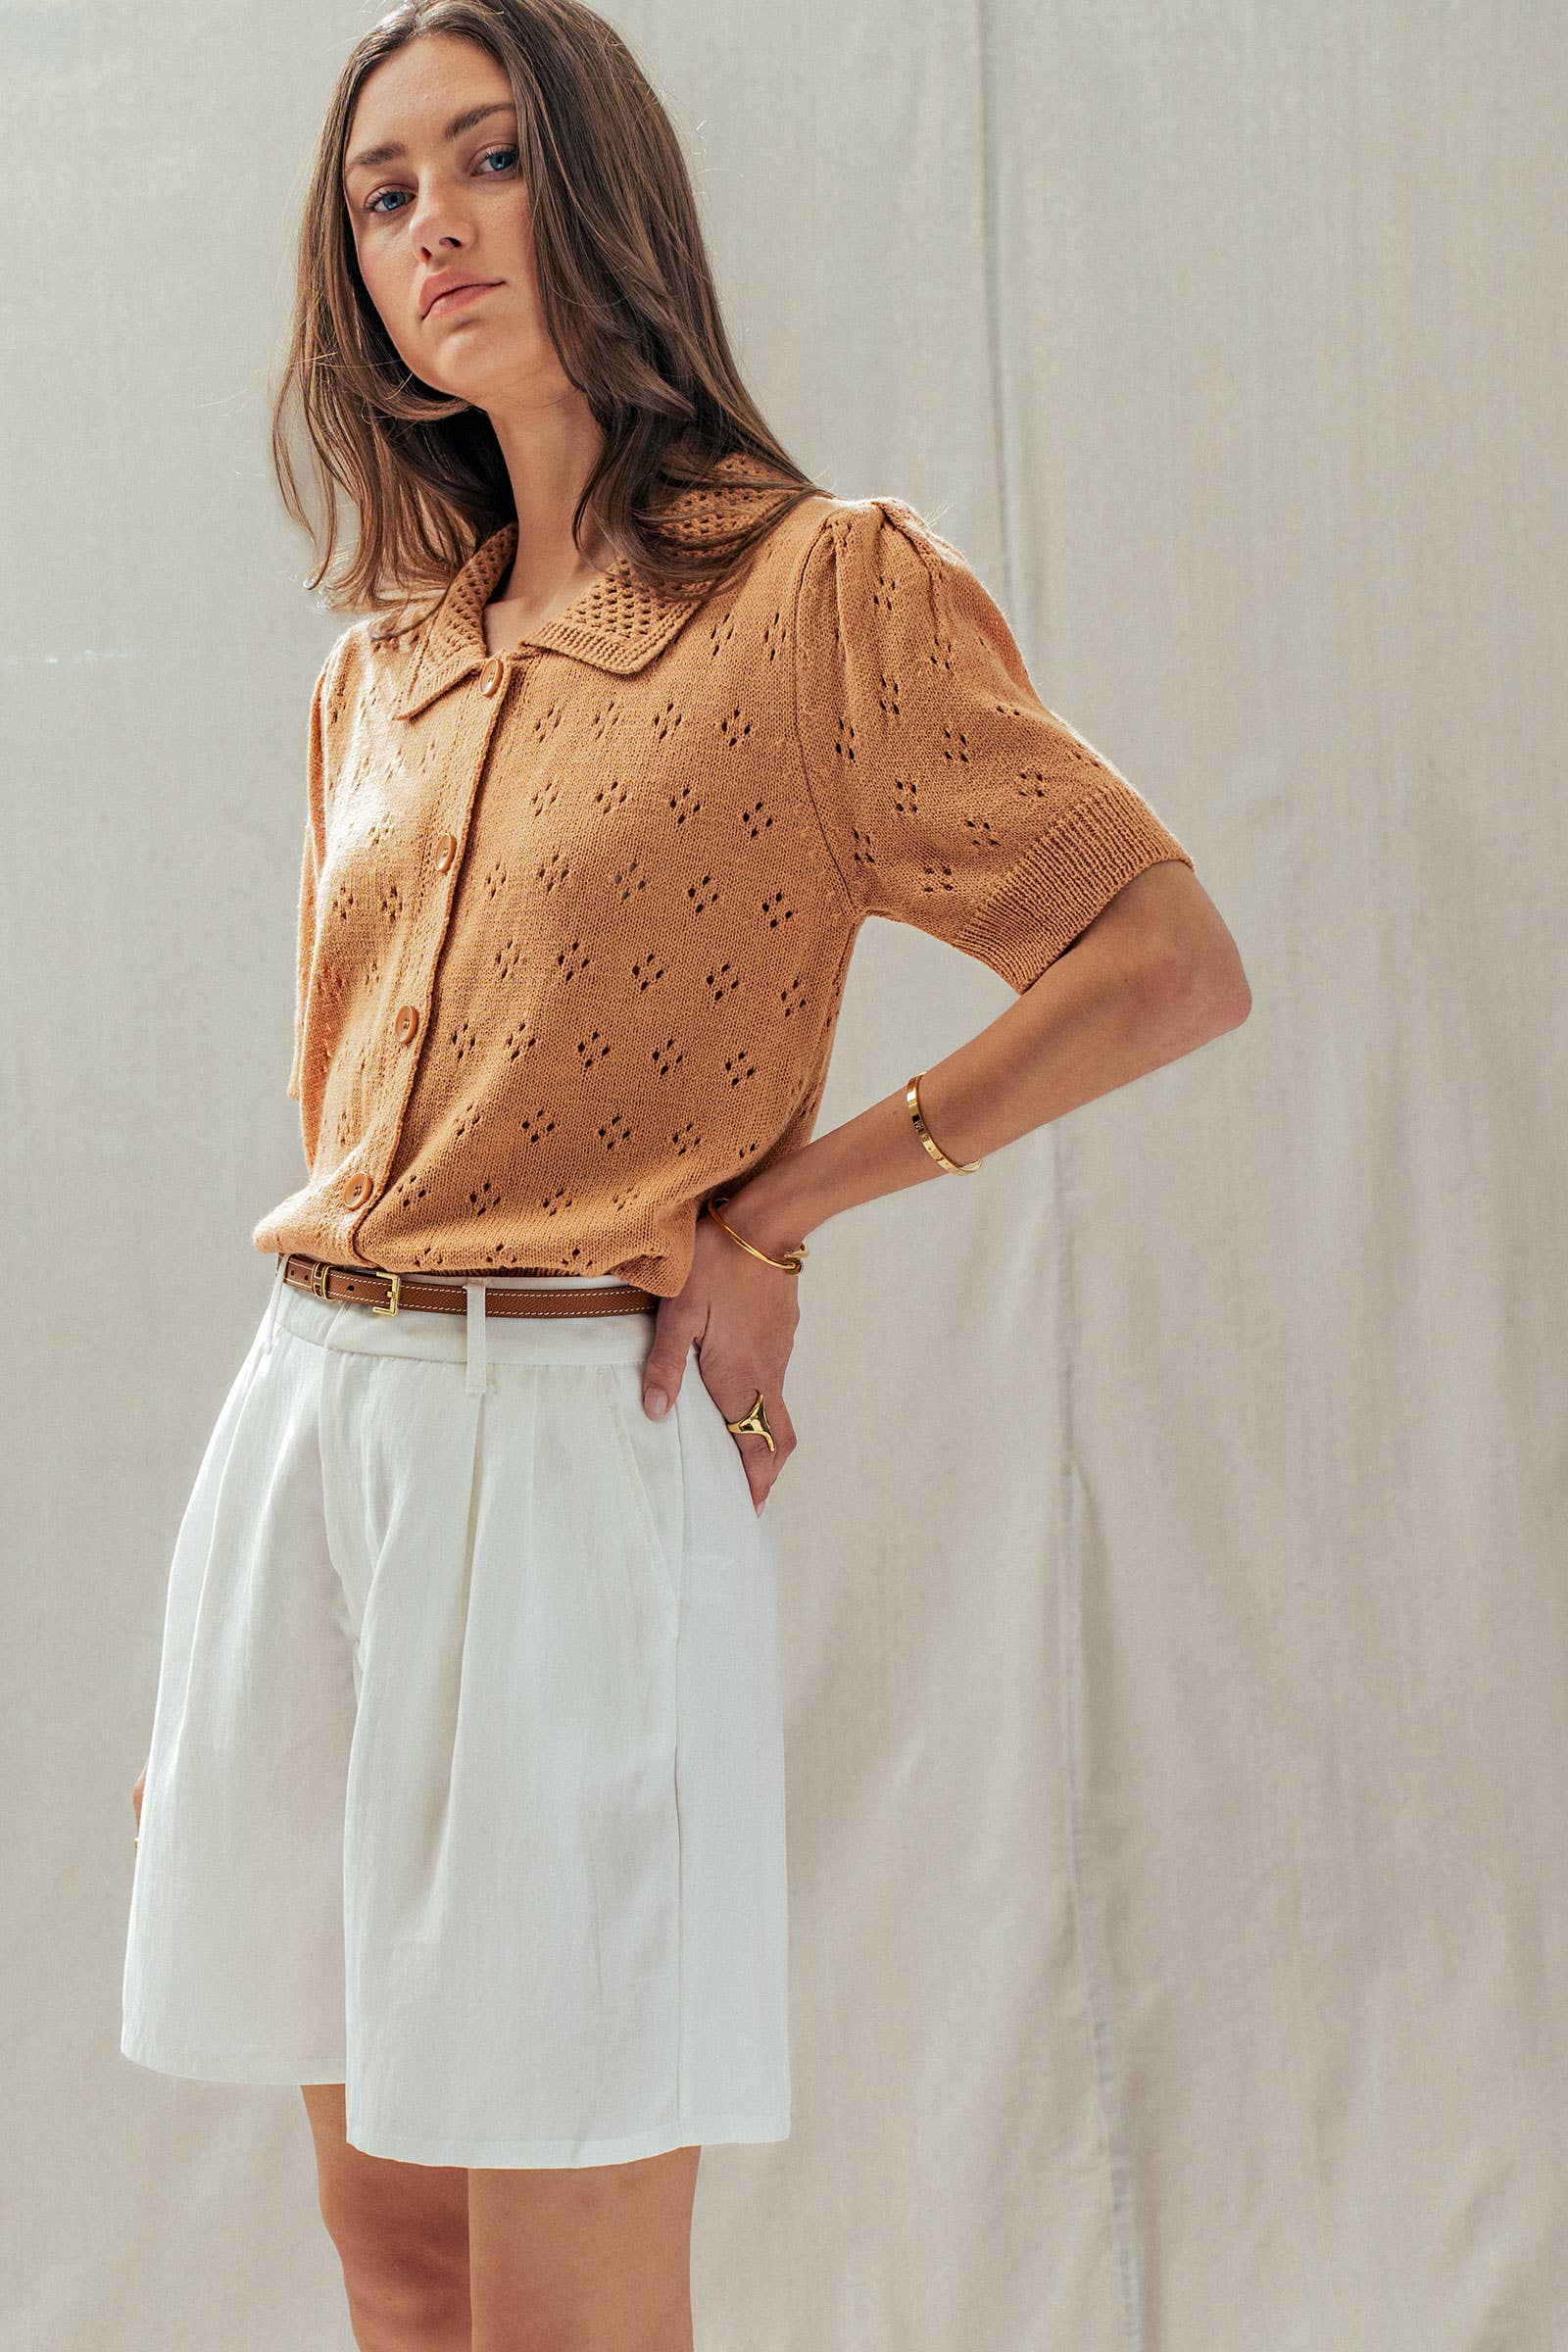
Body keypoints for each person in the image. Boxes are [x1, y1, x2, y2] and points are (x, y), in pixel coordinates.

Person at [119, 3, 1250, 2345]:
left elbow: (1161, 961)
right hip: (311, 1432)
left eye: (490, 159)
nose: (433, 227)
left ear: (603, 186)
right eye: (382, 193)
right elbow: (358, 1120)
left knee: (564, 2278)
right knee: (393, 2247)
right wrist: (272, 1571)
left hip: (567, 1463)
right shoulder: (380, 672)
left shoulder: (816, 597)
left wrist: (778, 1216)